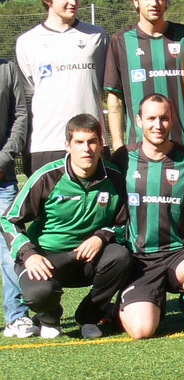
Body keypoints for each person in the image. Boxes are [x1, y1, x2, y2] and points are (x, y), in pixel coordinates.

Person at [1, 114, 131, 339]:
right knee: (39, 294)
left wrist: (101, 236)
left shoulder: (115, 177)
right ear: (67, 146)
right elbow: (9, 219)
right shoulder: (47, 177)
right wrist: (29, 254)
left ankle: (89, 316)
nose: (86, 149)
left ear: (101, 144)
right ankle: (49, 317)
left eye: (92, 141)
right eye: (79, 142)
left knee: (122, 258)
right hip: (47, 257)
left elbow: (125, 223)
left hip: (90, 258)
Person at [114, 94, 184, 339]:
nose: (158, 125)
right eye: (151, 118)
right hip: (139, 259)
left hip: (178, 253)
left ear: (172, 120)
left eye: (164, 118)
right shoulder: (123, 159)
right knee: (141, 331)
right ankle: (133, 302)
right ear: (138, 121)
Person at [16, 0, 108, 172]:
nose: (73, 1)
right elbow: (27, 98)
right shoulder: (27, 42)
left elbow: (108, 87)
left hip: (91, 142)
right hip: (46, 144)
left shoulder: (97, 36)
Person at [105, 0, 184, 152]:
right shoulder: (121, 41)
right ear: (136, 1)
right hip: (137, 149)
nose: (154, 3)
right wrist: (117, 144)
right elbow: (115, 98)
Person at [0, 58, 30, 337]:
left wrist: (3, 160)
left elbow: (20, 116)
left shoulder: (7, 69)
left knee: (10, 251)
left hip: (2, 177)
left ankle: (17, 316)